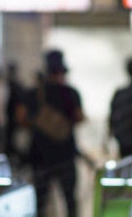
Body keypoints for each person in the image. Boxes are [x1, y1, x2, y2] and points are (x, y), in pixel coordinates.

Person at [24, 50, 85, 217]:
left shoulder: (34, 94)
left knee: (40, 202)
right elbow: (80, 117)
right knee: (69, 199)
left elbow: (21, 118)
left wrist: (41, 124)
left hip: (40, 155)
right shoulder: (71, 93)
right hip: (65, 153)